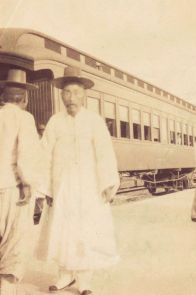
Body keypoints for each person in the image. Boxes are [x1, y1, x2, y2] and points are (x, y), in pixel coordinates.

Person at [36, 66, 120, 295]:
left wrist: (107, 183)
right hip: (62, 186)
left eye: (75, 92)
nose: (71, 98)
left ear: (84, 95)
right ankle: (64, 275)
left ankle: (84, 280)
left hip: (89, 187)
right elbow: (45, 154)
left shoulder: (94, 121)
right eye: (66, 93)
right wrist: (46, 188)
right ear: (61, 95)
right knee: (62, 229)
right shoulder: (55, 122)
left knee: (85, 230)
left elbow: (104, 153)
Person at [0, 69, 40, 294]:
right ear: (25, 99)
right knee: (13, 246)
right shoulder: (25, 118)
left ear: (2, 98)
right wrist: (28, 184)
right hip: (12, 190)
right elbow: (26, 155)